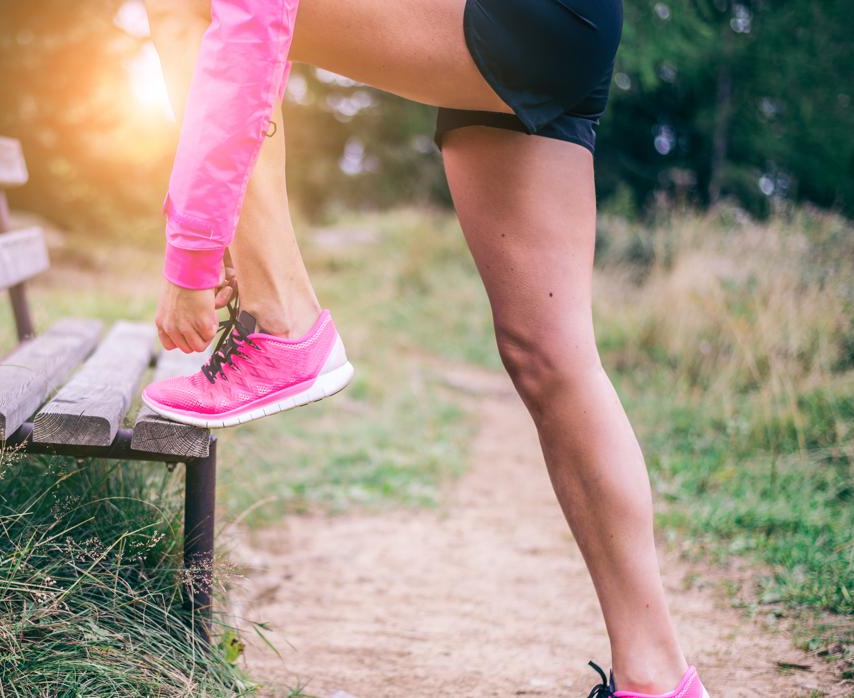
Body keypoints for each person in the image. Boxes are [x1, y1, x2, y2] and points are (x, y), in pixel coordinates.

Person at [138, 1, 710, 696]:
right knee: (552, 358)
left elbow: (254, 24)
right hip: (558, 26)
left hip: (521, 17)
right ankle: (654, 681)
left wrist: (195, 257)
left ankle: (281, 321)